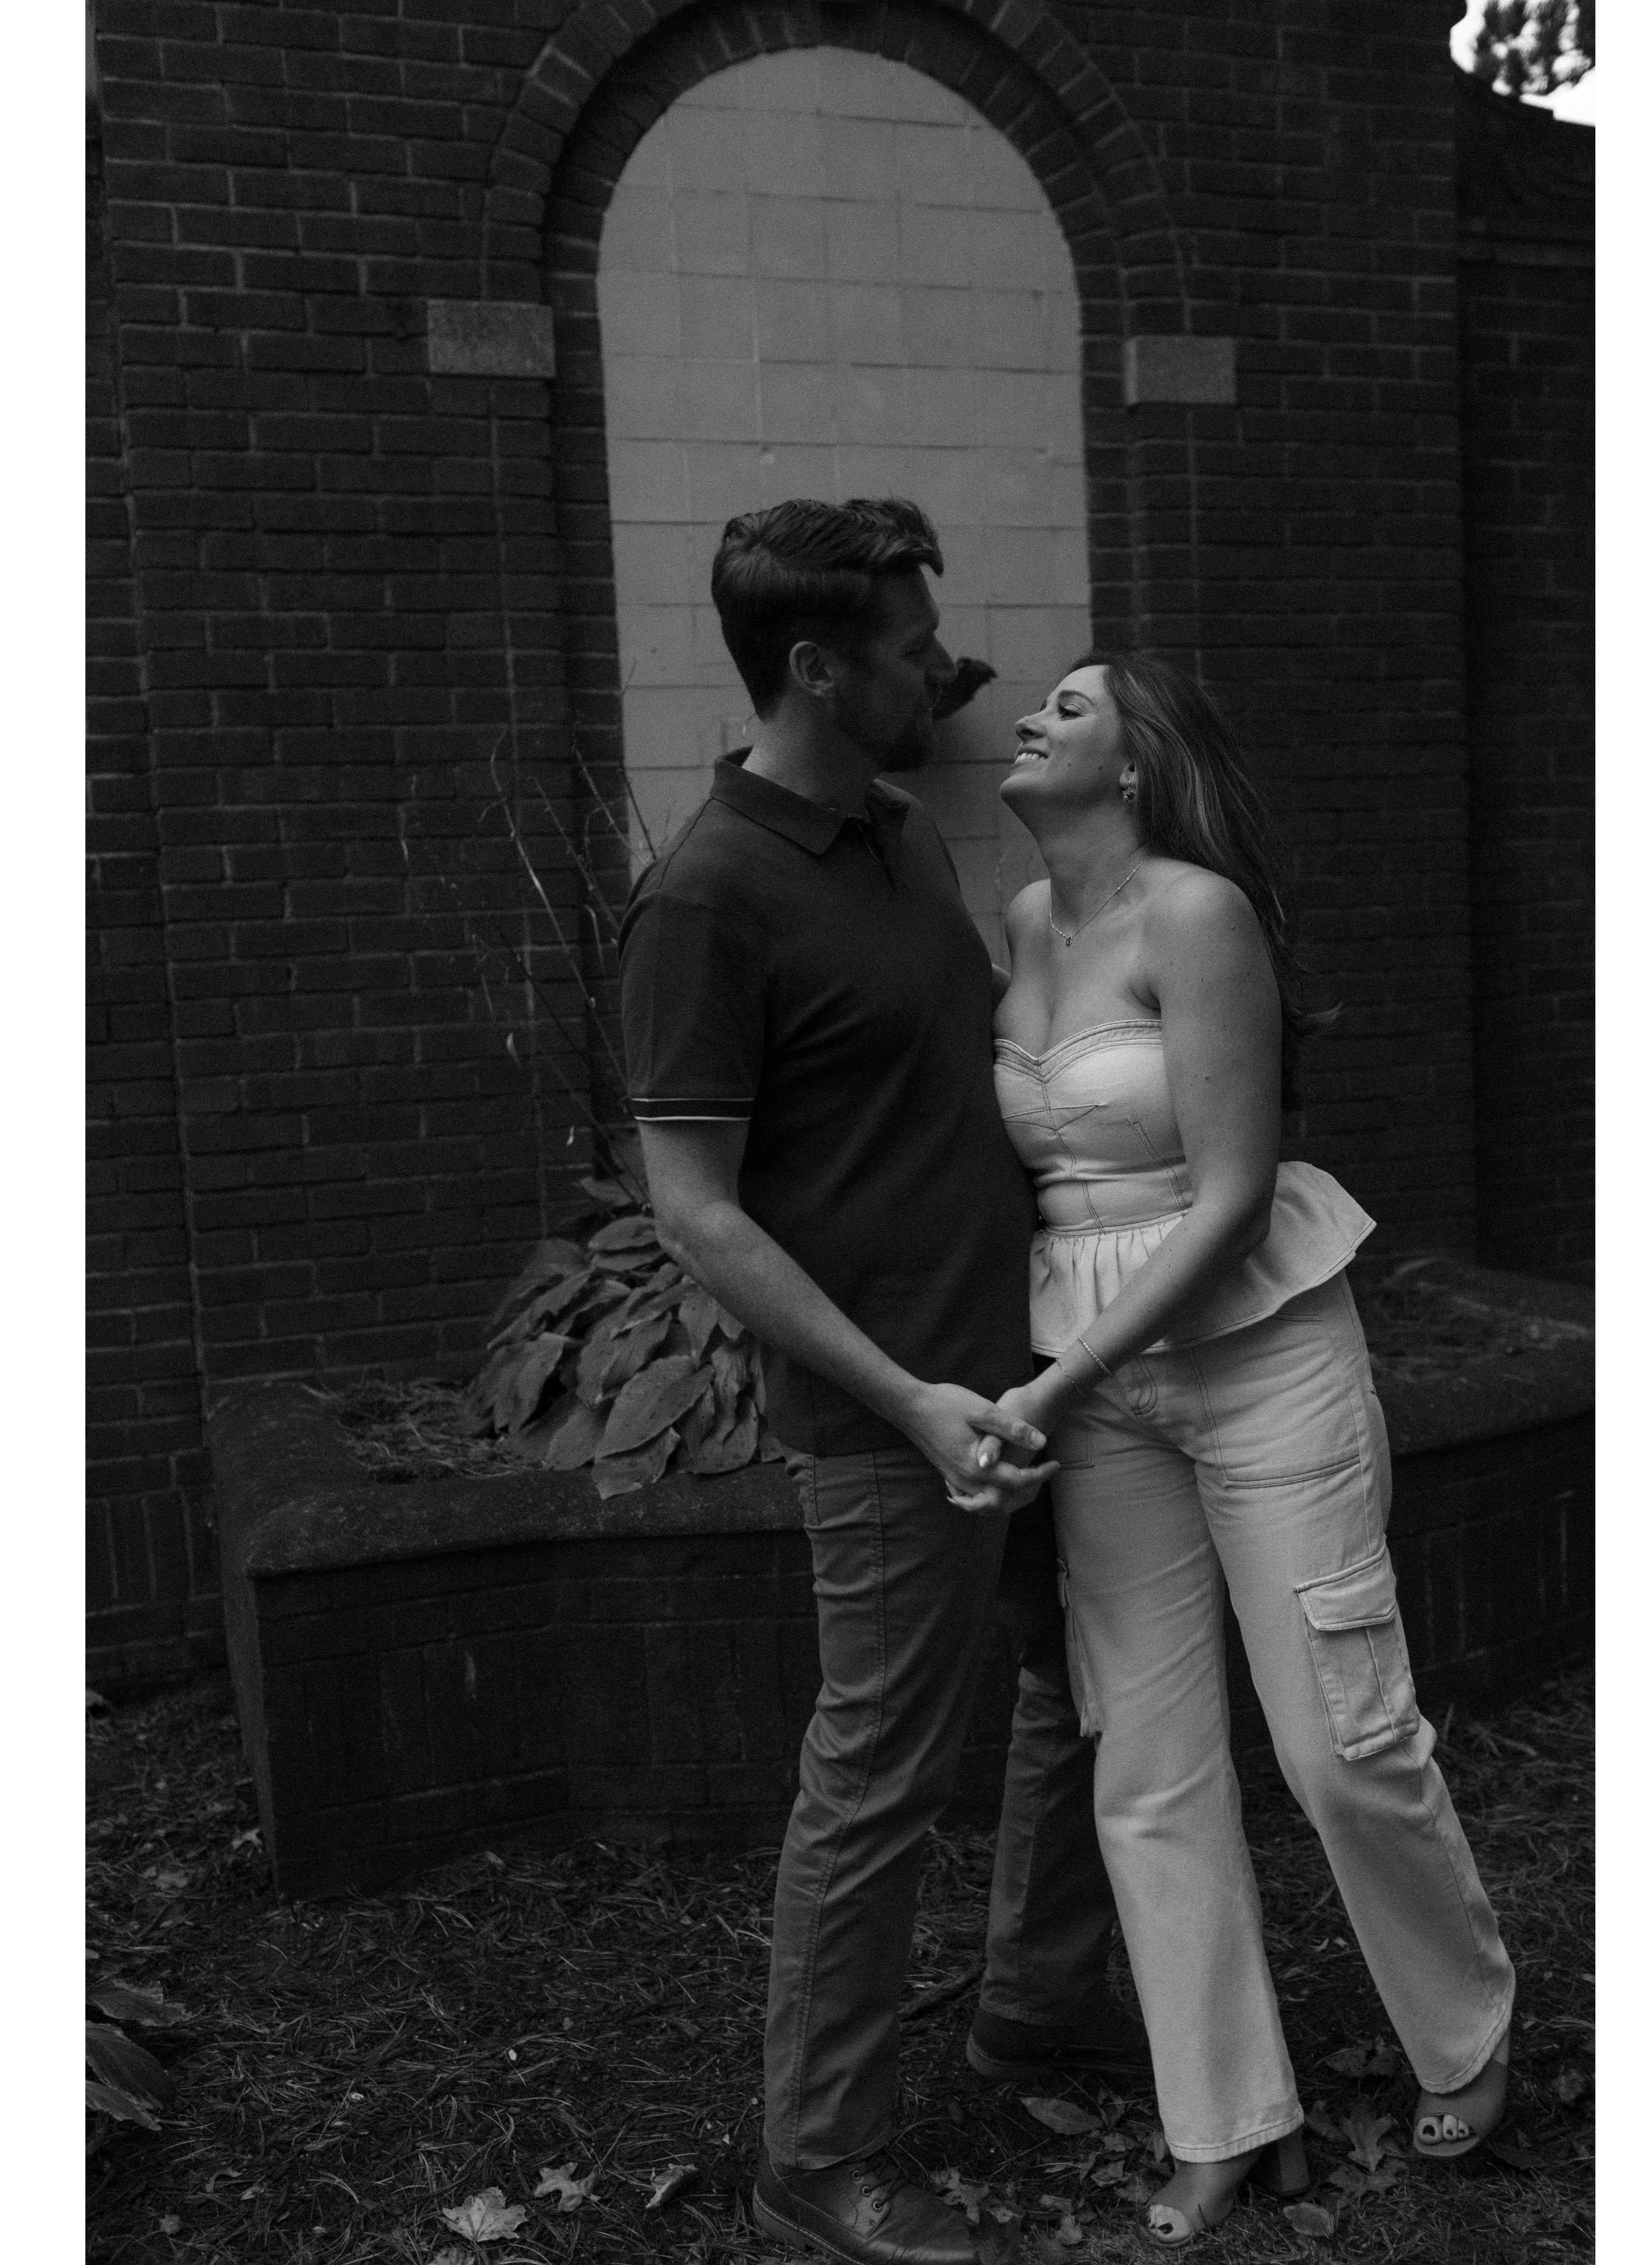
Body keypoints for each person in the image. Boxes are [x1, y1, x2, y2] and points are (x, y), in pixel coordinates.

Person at [618, 498, 1146, 2265]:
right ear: (817, 670)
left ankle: (1042, 1998)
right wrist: (910, 1397)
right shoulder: (706, 898)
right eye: (914, 651)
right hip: (889, 1417)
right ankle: (821, 2153)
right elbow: (695, 1211)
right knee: (878, 1775)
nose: (946, 670)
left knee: (1083, 1688)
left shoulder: (900, 836)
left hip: (1032, 1376)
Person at [979, 652, 1517, 2249]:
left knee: (1339, 1740)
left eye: (1072, 708)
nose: (1031, 717)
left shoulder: (1198, 913)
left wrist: (1053, 1384)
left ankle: (1467, 2031)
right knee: (1144, 1765)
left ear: (1139, 764)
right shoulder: (1021, 922)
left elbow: (1225, 1199)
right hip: (1097, 1388)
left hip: (1257, 1353)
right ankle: (1226, 2119)